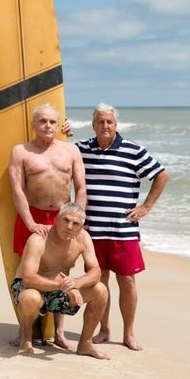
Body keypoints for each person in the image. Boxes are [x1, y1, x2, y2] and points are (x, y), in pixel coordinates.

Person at [75, 103, 169, 351]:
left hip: (123, 230)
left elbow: (161, 175)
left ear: (116, 125)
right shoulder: (81, 149)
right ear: (93, 125)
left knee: (127, 280)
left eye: (110, 122)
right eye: (100, 122)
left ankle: (128, 334)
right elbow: (59, 153)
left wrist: (146, 207)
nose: (105, 126)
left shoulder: (133, 150)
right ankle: (104, 330)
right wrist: (64, 129)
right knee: (98, 281)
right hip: (91, 230)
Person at [8, 103, 86, 349]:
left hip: (62, 216)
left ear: (59, 124)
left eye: (53, 121)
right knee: (27, 272)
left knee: (61, 268)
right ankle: (25, 330)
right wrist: (30, 222)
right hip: (31, 215)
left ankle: (59, 332)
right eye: (42, 121)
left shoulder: (71, 150)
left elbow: (81, 187)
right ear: (33, 125)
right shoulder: (21, 151)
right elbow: (17, 189)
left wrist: (78, 219)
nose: (48, 125)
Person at [12, 202, 109, 359]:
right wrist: (63, 286)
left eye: (75, 223)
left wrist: (77, 283)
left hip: (59, 289)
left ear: (80, 227)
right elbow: (28, 279)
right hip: (29, 287)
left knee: (101, 290)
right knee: (31, 297)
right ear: (56, 220)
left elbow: (96, 271)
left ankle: (85, 344)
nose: (69, 226)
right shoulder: (39, 238)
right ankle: (26, 337)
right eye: (66, 220)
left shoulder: (83, 238)